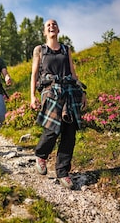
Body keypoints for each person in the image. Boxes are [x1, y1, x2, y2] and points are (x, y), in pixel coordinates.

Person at [30, 19, 87, 189]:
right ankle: (41, 154)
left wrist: (82, 92)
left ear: (58, 29)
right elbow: (34, 75)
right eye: (48, 25)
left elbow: (73, 73)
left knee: (69, 132)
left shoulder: (66, 49)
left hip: (69, 90)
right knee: (54, 128)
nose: (51, 26)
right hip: (50, 90)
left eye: (54, 24)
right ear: (44, 32)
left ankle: (63, 172)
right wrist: (32, 96)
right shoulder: (40, 50)